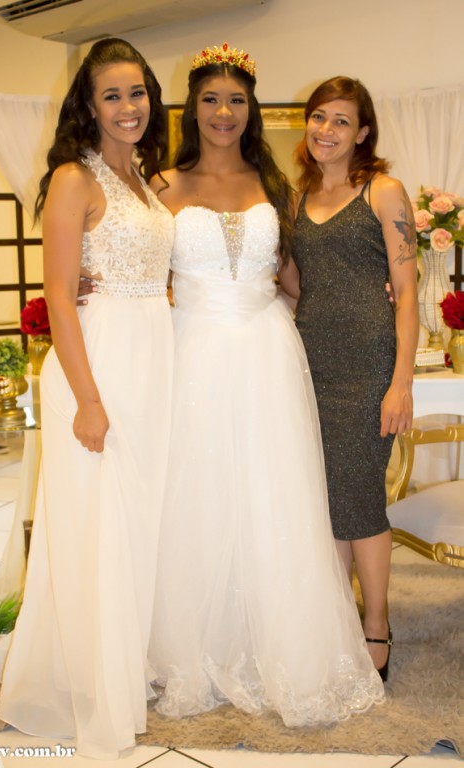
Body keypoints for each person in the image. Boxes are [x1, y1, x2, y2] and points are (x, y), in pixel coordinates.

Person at [147, 45, 385, 726]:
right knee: (198, 492)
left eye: (236, 100)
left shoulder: (275, 183)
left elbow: (297, 276)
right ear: (192, 109)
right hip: (193, 348)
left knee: (274, 493)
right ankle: (196, 644)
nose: (224, 112)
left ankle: (282, 640)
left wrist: (369, 299)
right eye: (211, 99)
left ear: (250, 109)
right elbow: (134, 261)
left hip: (267, 349)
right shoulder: (161, 185)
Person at [0, 38, 174, 759]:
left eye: (137, 92)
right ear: (88, 107)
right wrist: (89, 402)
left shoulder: (143, 178)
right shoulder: (74, 177)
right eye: (112, 95)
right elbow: (60, 297)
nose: (129, 107)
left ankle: (119, 665)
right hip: (98, 363)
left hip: (151, 358)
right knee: (98, 521)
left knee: (135, 521)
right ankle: (89, 687)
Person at [286, 76, 419, 680]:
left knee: (359, 496)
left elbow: (408, 292)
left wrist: (401, 382)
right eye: (319, 117)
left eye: (341, 120)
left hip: (369, 364)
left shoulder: (383, 191)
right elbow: (295, 283)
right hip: (309, 361)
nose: (327, 129)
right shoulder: (297, 198)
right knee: (327, 498)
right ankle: (339, 621)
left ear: (363, 132)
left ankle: (377, 623)